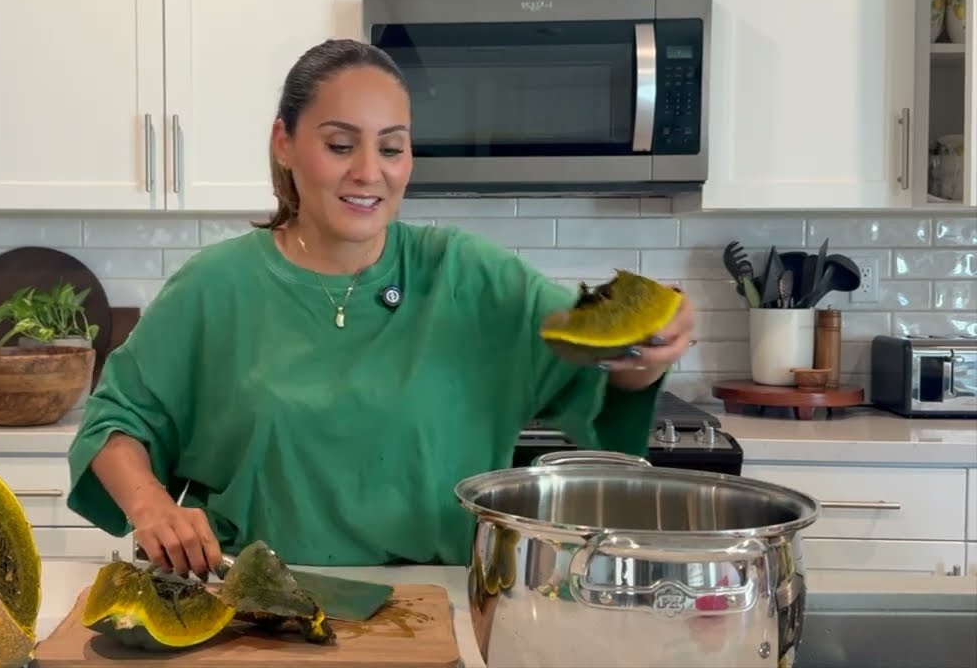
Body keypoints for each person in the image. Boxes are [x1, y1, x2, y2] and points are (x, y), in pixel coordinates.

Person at [66, 38, 696, 580]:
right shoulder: (214, 287)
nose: (369, 172)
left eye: (391, 149)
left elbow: (605, 379)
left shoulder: (471, 276)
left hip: (439, 605)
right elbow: (115, 420)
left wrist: (646, 349)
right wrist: (151, 506)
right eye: (340, 145)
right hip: (249, 608)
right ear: (284, 143)